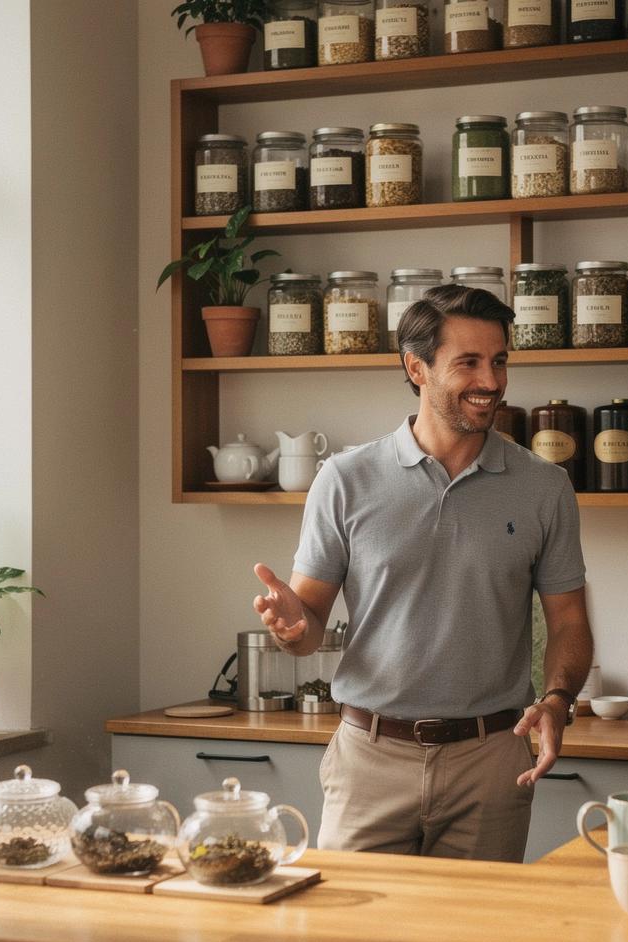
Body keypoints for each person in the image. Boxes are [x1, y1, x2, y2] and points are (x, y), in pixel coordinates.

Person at [253, 284, 593, 862]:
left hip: (491, 760)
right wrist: (292, 627)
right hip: (369, 759)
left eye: (500, 361)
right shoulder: (345, 479)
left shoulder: (545, 487)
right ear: (417, 368)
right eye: (469, 362)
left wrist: (558, 701)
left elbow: (569, 622)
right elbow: (308, 628)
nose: (491, 380)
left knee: (480, 923)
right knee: (350, 921)